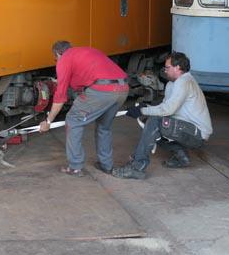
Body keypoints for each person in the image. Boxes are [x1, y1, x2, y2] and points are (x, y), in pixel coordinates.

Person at [112, 52, 212, 180]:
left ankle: (137, 167)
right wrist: (145, 107)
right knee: (150, 122)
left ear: (177, 67)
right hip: (186, 129)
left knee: (155, 122)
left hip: (197, 134)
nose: (164, 70)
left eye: (167, 67)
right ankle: (181, 156)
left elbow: (167, 110)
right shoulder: (172, 84)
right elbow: (164, 107)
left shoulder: (184, 82)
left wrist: (142, 111)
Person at [39, 40, 129, 176]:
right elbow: (86, 78)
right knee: (104, 126)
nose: (57, 61)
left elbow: (60, 97)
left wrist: (48, 121)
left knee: (73, 121)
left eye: (55, 59)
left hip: (102, 90)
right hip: (123, 88)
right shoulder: (88, 51)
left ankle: (75, 167)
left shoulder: (65, 59)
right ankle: (106, 165)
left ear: (58, 53)